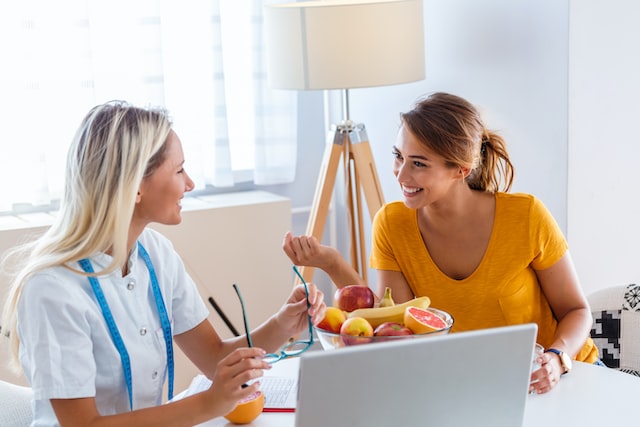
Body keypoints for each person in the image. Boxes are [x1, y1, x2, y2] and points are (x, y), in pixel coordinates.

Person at [1, 101, 325, 426]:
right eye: (180, 170)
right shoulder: (53, 289)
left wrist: (282, 325)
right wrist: (208, 403)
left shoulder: (156, 253)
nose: (190, 184)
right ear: (136, 186)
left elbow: (214, 359)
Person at [283, 92, 598, 395]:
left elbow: (576, 309)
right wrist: (333, 263)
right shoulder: (391, 224)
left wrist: (558, 359)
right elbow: (392, 325)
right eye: (398, 157)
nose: (401, 174)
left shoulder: (527, 216)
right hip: (472, 385)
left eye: (418, 164)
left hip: (560, 378)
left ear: (460, 169)